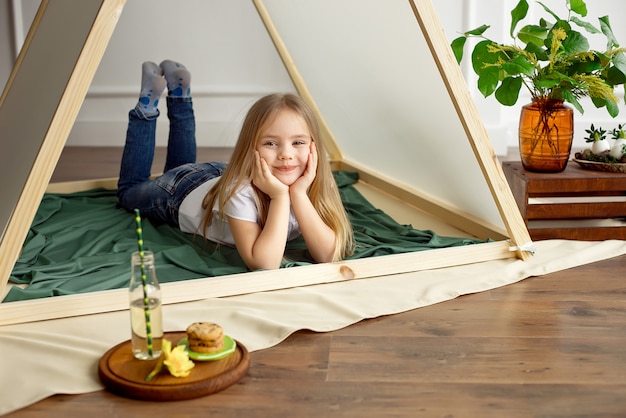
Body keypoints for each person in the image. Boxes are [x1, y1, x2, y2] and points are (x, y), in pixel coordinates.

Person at [117, 60, 354, 270]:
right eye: (271, 143)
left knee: (183, 165)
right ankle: (147, 106)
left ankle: (180, 94)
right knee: (129, 191)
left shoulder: (312, 181)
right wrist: (280, 197)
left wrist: (299, 193)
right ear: (252, 148)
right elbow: (264, 263)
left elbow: (327, 255)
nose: (286, 155)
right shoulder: (241, 192)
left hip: (219, 175)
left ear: (313, 146)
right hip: (179, 192)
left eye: (298, 142)